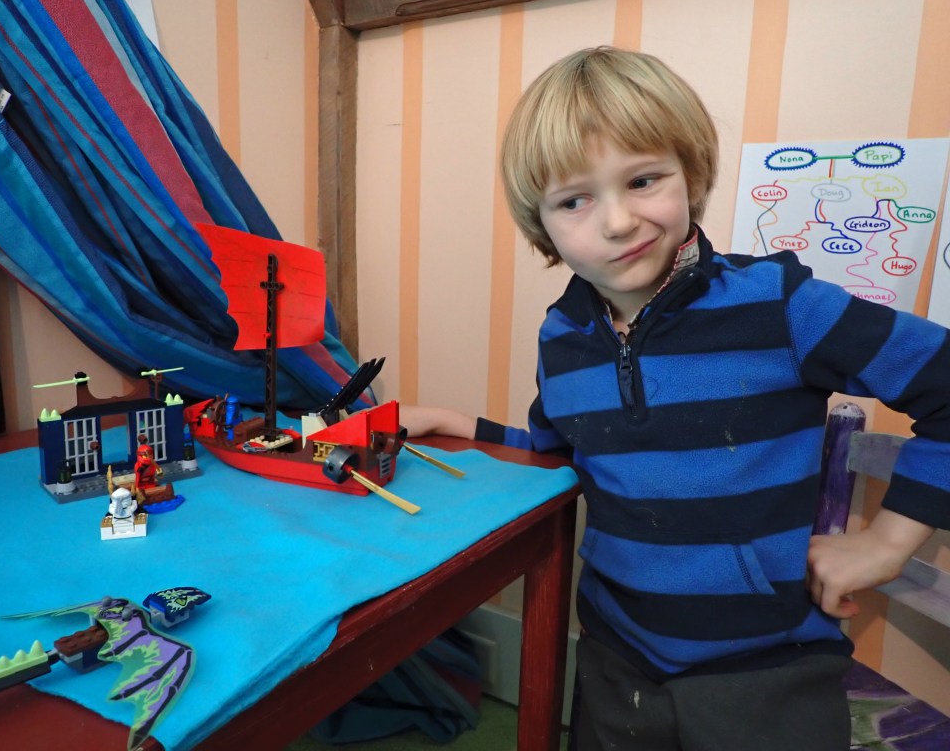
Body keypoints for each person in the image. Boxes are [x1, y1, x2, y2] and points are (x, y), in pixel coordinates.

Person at [400, 46, 949, 751]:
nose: (618, 221)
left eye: (642, 180)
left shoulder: (780, 306)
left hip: (765, 671)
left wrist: (886, 544)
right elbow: (560, 456)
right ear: (543, 226)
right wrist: (458, 424)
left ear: (690, 172)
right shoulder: (562, 336)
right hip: (614, 657)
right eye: (574, 200)